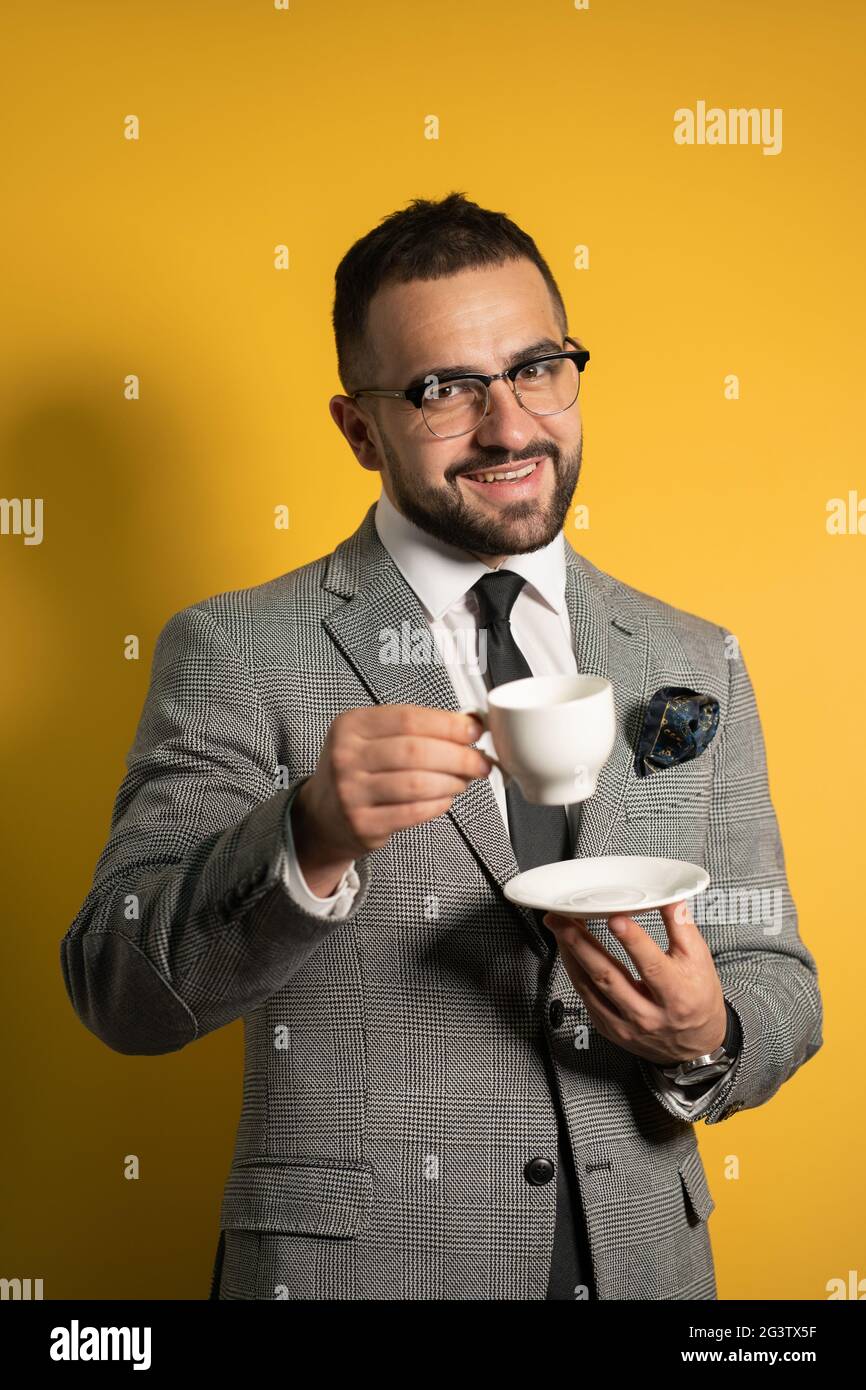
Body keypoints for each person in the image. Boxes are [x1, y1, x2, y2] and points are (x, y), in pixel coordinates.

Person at [61, 192, 823, 1301]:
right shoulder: (234, 648)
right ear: (358, 427)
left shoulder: (690, 654)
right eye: (441, 389)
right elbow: (118, 986)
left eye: (535, 367)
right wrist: (306, 834)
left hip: (645, 1270)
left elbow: (773, 968)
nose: (509, 426)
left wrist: (710, 1032)